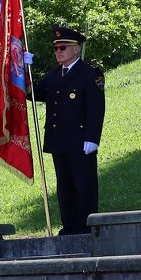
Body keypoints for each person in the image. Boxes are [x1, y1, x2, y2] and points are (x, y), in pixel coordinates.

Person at [31, 26, 105, 236]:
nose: (58, 51)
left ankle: (86, 227)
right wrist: (23, 72)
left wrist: (92, 138)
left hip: (81, 141)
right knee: (65, 188)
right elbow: (35, 93)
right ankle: (70, 227)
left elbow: (96, 108)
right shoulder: (54, 75)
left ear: (76, 49)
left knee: (84, 186)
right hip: (59, 141)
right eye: (56, 48)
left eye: (62, 47)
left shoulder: (89, 73)